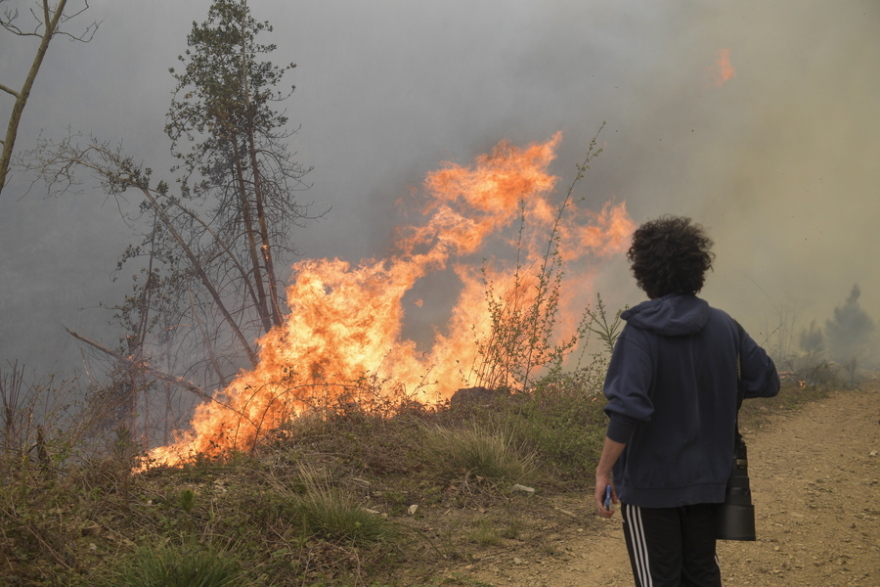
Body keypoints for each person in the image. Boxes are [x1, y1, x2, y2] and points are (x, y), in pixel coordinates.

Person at [593, 215, 780, 586]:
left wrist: (603, 472)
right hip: (709, 481)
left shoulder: (640, 334)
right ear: (697, 267)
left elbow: (628, 409)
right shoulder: (725, 325)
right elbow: (767, 380)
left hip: (651, 488)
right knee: (701, 574)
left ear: (645, 272)